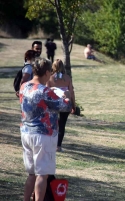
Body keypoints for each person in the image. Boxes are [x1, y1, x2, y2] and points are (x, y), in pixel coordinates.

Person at [19, 58, 71, 201]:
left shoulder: (24, 86)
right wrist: (66, 97)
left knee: (31, 174)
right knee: (42, 174)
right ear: (47, 72)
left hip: (26, 132)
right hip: (43, 135)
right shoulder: (45, 91)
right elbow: (65, 106)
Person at [46, 59, 76, 152]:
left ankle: (50, 143)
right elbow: (71, 92)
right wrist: (73, 105)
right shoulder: (67, 78)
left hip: (53, 104)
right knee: (62, 124)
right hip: (65, 103)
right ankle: (58, 146)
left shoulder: (49, 78)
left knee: (52, 124)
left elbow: (46, 91)